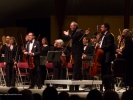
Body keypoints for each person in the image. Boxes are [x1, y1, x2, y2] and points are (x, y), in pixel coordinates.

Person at [63, 21, 88, 91]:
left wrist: (68, 34)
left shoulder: (79, 31)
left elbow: (73, 38)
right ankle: (76, 81)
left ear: (75, 26)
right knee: (75, 66)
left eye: (71, 25)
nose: (70, 27)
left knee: (77, 66)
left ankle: (76, 80)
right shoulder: (74, 32)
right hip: (74, 51)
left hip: (78, 51)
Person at [95, 23, 114, 91]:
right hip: (103, 56)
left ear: (106, 28)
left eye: (102, 27)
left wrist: (100, 46)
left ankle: (108, 88)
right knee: (103, 72)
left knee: (106, 72)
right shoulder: (103, 36)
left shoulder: (109, 35)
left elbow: (109, 46)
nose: (101, 28)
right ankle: (106, 87)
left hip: (107, 57)